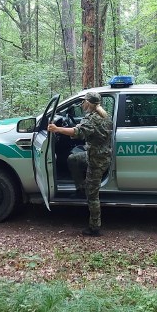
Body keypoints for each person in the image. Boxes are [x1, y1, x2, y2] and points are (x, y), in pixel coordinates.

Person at [47, 92, 113, 237]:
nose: (82, 104)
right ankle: (80, 188)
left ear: (89, 103)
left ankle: (94, 227)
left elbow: (77, 132)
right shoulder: (104, 115)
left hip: (96, 160)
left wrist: (56, 129)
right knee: (73, 159)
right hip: (97, 155)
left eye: (84, 102)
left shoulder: (93, 119)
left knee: (93, 195)